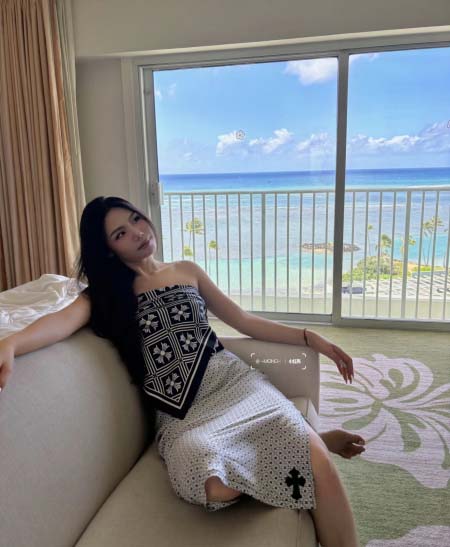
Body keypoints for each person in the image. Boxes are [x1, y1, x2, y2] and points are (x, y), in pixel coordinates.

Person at [0, 196, 365, 547]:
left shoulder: (187, 270)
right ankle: (307, 441)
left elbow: (243, 320)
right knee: (212, 485)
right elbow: (59, 322)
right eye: (120, 233)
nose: (138, 232)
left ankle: (307, 443)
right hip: (182, 413)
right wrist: (13, 343)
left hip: (234, 385)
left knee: (317, 464)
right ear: (109, 249)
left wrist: (309, 337)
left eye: (136, 219)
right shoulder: (105, 296)